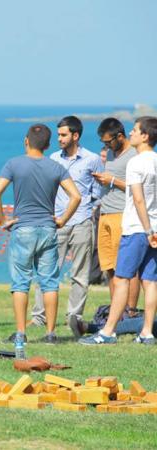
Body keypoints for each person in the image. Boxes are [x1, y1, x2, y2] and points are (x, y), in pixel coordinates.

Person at [0, 124, 80, 357]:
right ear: (48, 145)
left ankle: (21, 332)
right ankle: (50, 333)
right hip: (48, 229)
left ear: (26, 141)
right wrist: (62, 219)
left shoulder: (13, 164)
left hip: (22, 229)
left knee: (21, 283)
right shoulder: (56, 167)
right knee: (49, 282)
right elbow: (76, 196)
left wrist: (3, 221)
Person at [80, 116, 157, 345]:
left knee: (122, 278)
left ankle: (108, 332)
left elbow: (138, 199)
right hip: (153, 227)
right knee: (150, 282)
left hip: (137, 228)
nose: (131, 133)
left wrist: (146, 230)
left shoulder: (136, 162)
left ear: (145, 136)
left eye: (135, 130)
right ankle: (146, 332)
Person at [29, 116, 103, 342]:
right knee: (48, 271)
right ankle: (39, 317)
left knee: (80, 274)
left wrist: (89, 211)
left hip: (82, 222)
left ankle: (74, 316)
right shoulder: (52, 159)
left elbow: (97, 192)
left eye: (63, 135)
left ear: (75, 136)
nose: (59, 138)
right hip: (57, 222)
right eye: (59, 134)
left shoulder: (92, 160)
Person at [73, 118, 140, 336]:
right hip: (105, 213)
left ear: (120, 136)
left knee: (128, 268)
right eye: (103, 142)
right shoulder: (110, 153)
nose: (106, 146)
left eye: (109, 141)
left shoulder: (135, 155)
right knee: (109, 267)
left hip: (123, 214)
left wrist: (112, 181)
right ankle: (116, 312)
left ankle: (130, 312)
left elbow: (139, 188)